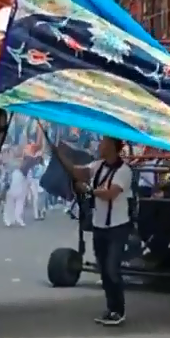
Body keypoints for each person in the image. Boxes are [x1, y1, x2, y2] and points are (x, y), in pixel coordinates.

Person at [60, 136, 133, 326]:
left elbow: (110, 193)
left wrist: (89, 191)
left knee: (112, 268)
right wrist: (61, 157)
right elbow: (78, 172)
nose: (100, 145)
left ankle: (119, 309)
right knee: (104, 270)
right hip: (100, 226)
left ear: (112, 147)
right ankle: (111, 308)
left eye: (103, 143)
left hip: (117, 227)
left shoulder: (124, 171)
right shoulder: (98, 165)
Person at [3, 161, 28, 227]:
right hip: (19, 192)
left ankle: (9, 220)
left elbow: (5, 183)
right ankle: (17, 218)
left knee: (9, 206)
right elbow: (25, 183)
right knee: (18, 206)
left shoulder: (9, 173)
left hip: (11, 192)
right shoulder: (21, 173)